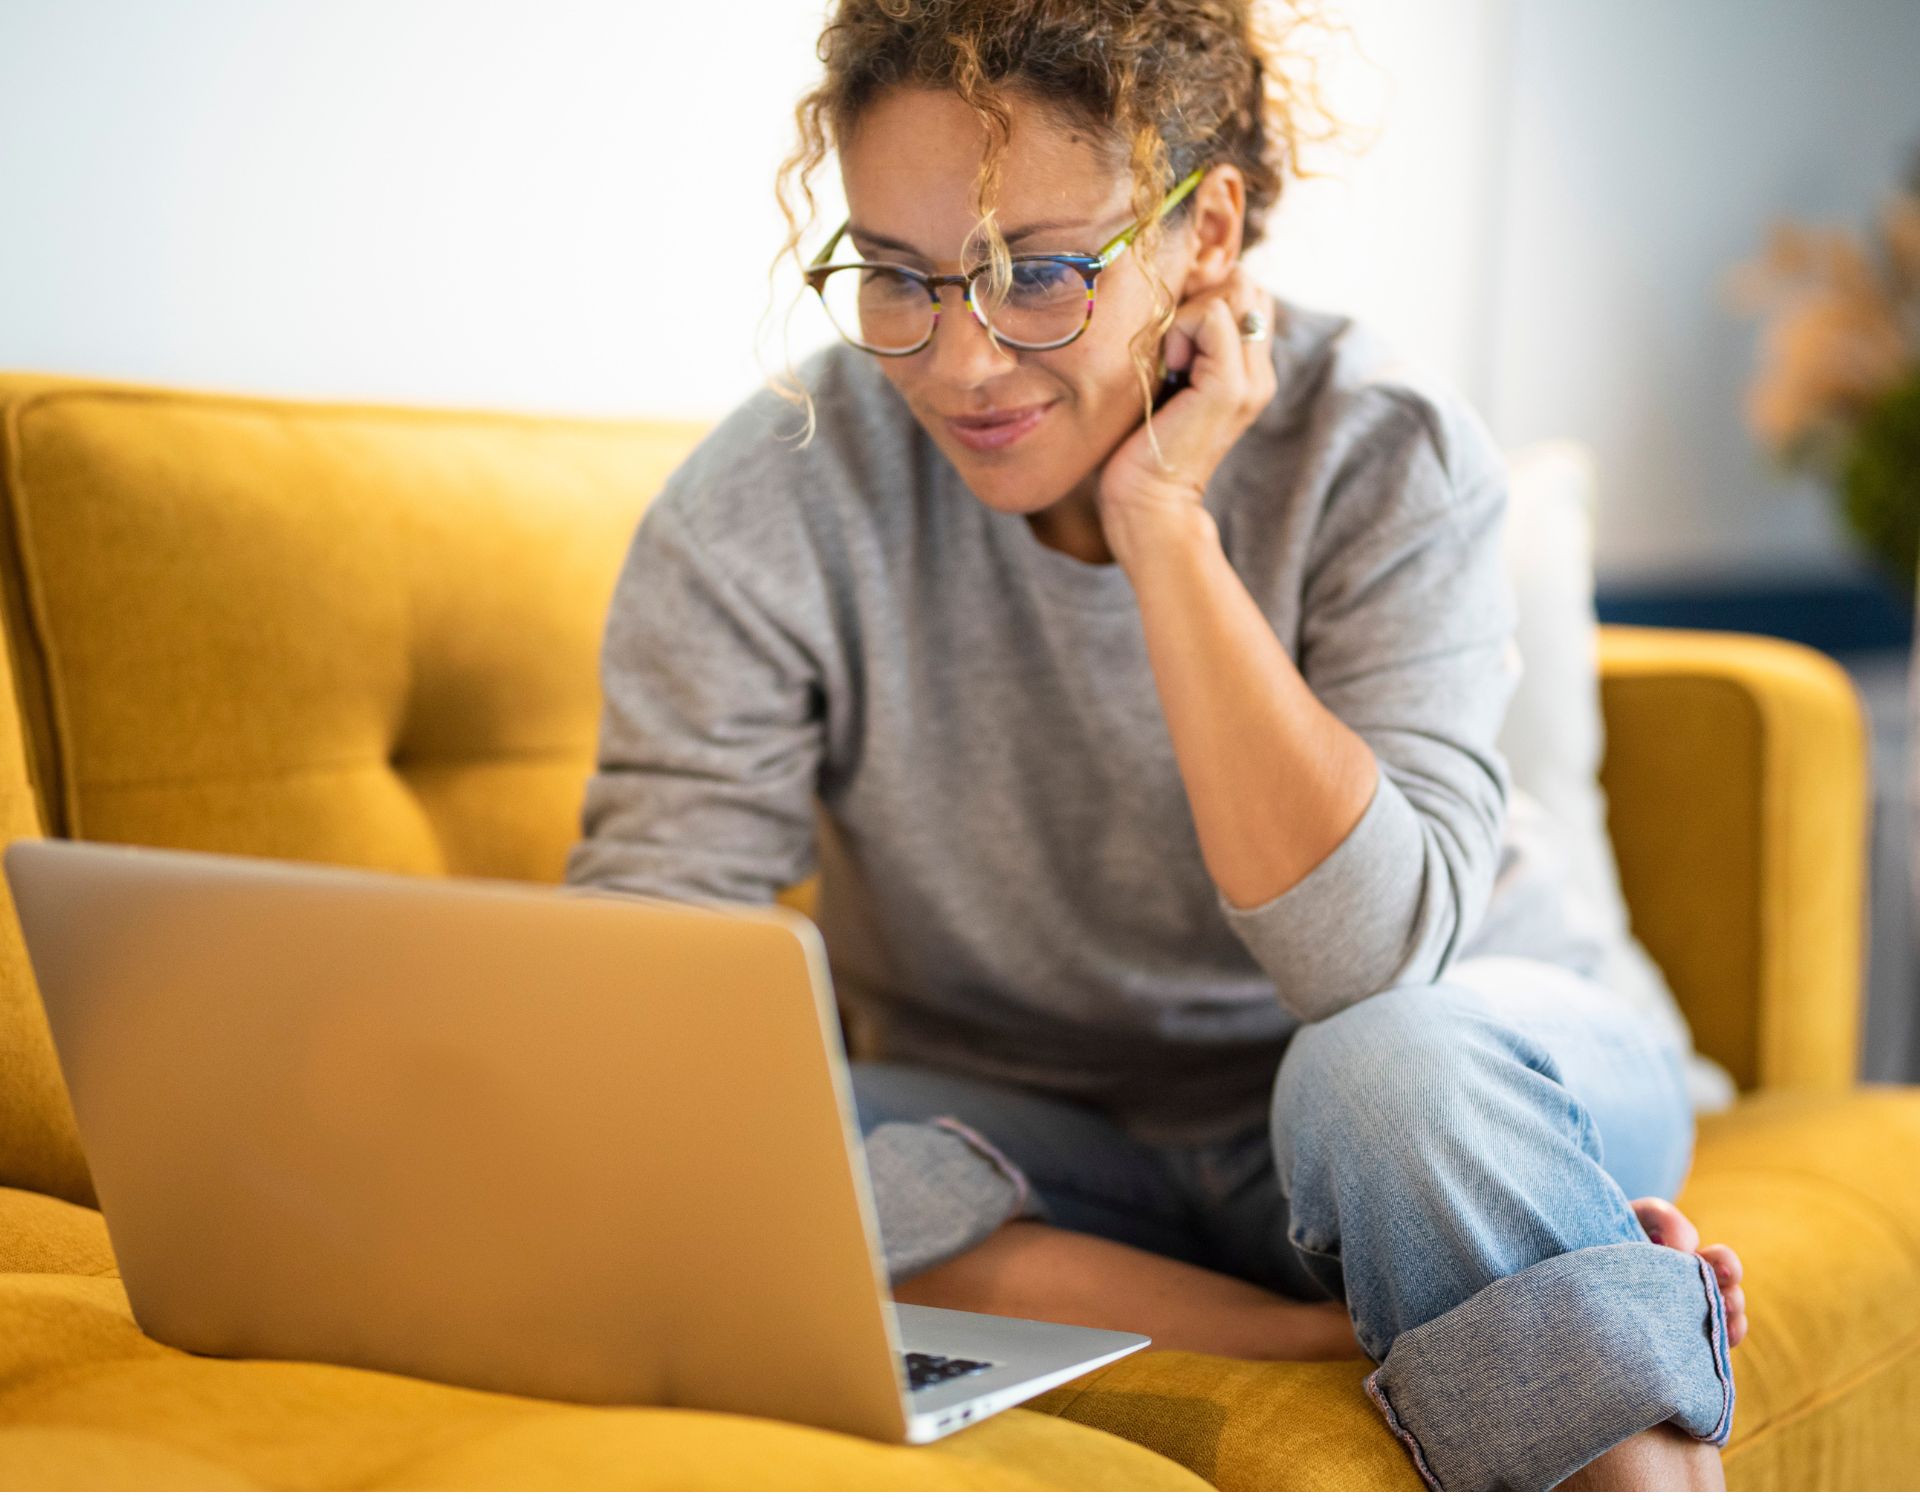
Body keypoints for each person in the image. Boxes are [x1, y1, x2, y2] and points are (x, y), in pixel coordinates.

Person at [564, 0, 1747, 1489]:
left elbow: (1368, 967)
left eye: (1040, 273)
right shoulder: (766, 502)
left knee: (1390, 1072)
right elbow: (641, 979)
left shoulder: (1382, 450)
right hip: (1039, 1148)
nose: (962, 363)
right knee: (664, 1142)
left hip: (1433, 1079)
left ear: (1207, 235)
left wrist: (1164, 528)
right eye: (898, 278)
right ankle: (1316, 1320)